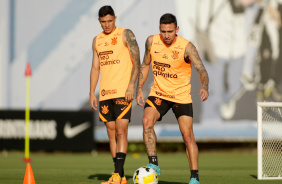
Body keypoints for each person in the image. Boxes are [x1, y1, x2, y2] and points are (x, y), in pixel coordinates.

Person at [136, 13, 209, 184]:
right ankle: (153, 164)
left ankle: (194, 178)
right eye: (163, 31)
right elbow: (146, 64)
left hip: (181, 96)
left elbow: (202, 70)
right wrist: (139, 88)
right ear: (159, 29)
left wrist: (205, 86)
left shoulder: (187, 47)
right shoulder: (152, 42)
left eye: (170, 31)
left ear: (176, 29)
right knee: (147, 121)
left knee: (187, 136)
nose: (167, 35)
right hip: (159, 93)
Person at [89, 5, 140, 184]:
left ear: (115, 19)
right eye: (103, 22)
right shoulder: (97, 40)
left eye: (110, 21)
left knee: (121, 131)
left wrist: (131, 86)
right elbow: (95, 68)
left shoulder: (126, 34)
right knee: (111, 133)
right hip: (104, 94)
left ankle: (117, 175)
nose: (107, 25)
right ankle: (120, 175)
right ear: (99, 21)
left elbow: (136, 61)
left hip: (122, 92)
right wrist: (91, 92)